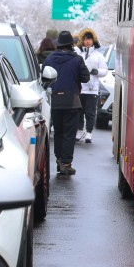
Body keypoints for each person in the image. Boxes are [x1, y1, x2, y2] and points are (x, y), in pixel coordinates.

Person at [41, 31, 90, 176]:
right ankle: (66, 163)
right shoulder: (77, 60)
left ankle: (59, 159)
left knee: (58, 132)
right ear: (71, 45)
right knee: (69, 133)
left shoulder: (49, 59)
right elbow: (86, 78)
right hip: (71, 102)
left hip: (54, 100)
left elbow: (43, 79)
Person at [76, 27, 108, 144]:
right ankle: (79, 130)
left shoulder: (98, 55)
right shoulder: (78, 53)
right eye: (85, 39)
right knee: (79, 111)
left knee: (90, 112)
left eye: (89, 39)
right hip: (79, 88)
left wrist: (96, 71)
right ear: (82, 40)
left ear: (93, 40)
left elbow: (104, 70)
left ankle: (89, 132)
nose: (87, 41)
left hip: (92, 88)